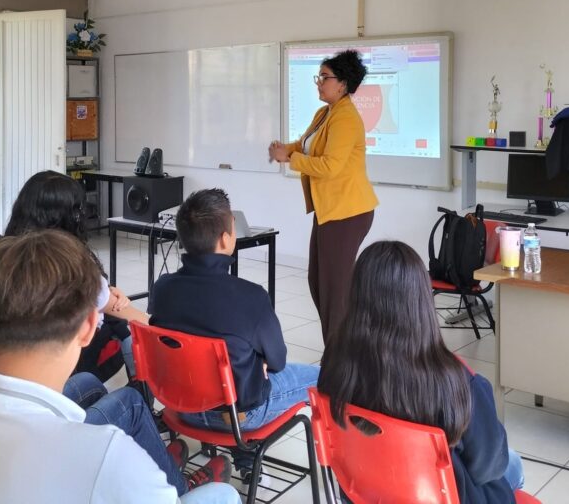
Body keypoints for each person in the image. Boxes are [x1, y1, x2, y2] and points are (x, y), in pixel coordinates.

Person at [0, 230, 239, 504]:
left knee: (88, 383)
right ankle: (173, 480)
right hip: (113, 470)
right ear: (89, 327)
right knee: (223, 495)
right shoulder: (106, 453)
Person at [318, 240, 524, 504]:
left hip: (367, 493)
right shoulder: (457, 382)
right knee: (513, 464)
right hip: (438, 496)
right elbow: (489, 468)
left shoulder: (335, 360)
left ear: (357, 295)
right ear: (421, 300)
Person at [149, 188, 319, 484]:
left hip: (180, 409)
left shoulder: (162, 289)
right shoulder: (250, 298)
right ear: (227, 238)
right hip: (238, 418)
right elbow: (278, 361)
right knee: (321, 375)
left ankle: (246, 457)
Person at [268, 49, 378, 343]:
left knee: (333, 289)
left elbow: (329, 166)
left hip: (348, 212)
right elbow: (304, 145)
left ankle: (339, 358)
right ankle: (341, 350)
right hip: (330, 209)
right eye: (319, 77)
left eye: (324, 77)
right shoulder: (325, 113)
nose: (319, 83)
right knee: (319, 282)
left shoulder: (346, 118)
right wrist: (285, 151)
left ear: (342, 84)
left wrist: (290, 160)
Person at [5, 170, 146, 380]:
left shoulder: (4, 251)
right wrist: (154, 325)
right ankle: (141, 395)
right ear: (68, 215)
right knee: (124, 328)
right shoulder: (71, 263)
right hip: (67, 355)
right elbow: (111, 306)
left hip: (18, 349)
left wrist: (106, 293)